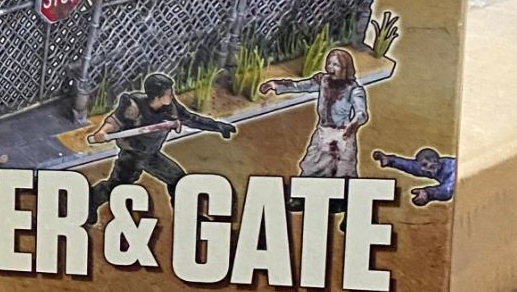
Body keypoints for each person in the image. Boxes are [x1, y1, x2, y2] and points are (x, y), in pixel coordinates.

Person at [85, 70, 235, 225]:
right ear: (156, 96)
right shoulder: (134, 107)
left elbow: (192, 119)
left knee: (179, 181)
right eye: (168, 93)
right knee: (117, 188)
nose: (171, 95)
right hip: (132, 156)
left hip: (152, 155)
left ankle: (189, 220)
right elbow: (114, 122)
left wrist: (217, 126)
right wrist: (102, 132)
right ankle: (89, 202)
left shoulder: (171, 108)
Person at [261, 47, 369, 184]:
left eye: (335, 65)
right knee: (312, 166)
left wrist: (353, 125)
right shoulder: (323, 81)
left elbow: (361, 113)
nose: (330, 68)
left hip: (342, 135)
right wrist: (276, 85)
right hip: (323, 132)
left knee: (342, 171)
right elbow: (300, 86)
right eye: (329, 63)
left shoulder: (354, 89)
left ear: (344, 68)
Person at [373, 146, 457, 207]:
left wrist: (427, 193)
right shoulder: (432, 166)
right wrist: (390, 160)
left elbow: (447, 190)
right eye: (422, 166)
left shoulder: (455, 168)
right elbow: (412, 166)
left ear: (435, 162)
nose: (424, 169)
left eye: (426, 165)